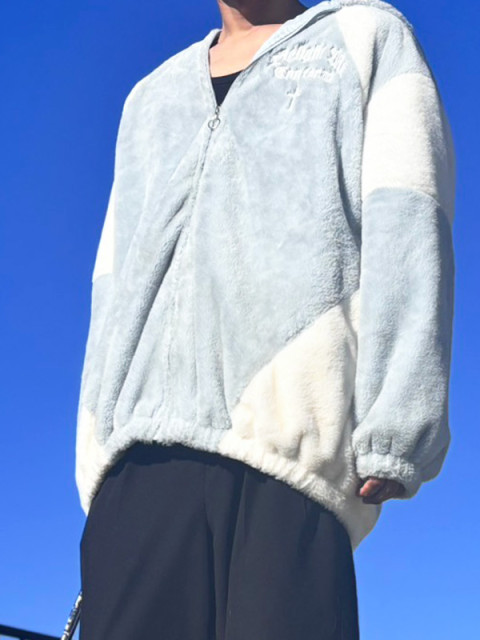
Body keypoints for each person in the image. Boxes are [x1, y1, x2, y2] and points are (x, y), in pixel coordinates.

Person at [76, 0, 456, 638]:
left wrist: (399, 416)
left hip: (290, 455)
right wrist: (97, 441)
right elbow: (113, 274)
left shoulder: (366, 38)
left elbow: (409, 209)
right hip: (138, 467)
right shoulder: (149, 96)